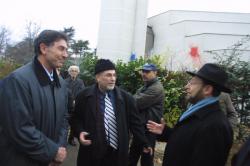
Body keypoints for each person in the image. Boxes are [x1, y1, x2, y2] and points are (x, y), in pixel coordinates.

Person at [0, 30, 69, 166]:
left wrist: (58, 150)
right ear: (43, 48)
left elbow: (64, 119)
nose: (65, 55)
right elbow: (20, 129)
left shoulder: (61, 83)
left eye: (67, 50)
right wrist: (53, 152)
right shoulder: (17, 80)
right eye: (61, 49)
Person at [147, 63, 233, 166]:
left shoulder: (215, 126)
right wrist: (165, 132)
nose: (186, 87)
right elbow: (188, 141)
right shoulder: (195, 110)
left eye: (192, 83)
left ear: (207, 89)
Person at [71, 59, 152, 166]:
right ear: (98, 77)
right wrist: (79, 131)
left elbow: (135, 123)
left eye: (114, 75)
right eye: (108, 75)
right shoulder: (84, 96)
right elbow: (76, 119)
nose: (113, 79)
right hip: (92, 152)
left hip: (117, 154)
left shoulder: (126, 98)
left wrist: (143, 142)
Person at [129, 63, 164, 166]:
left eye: (147, 72)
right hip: (141, 127)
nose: (144, 74)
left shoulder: (156, 88)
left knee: (146, 159)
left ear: (155, 73)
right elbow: (135, 99)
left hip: (149, 128)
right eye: (143, 71)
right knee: (132, 156)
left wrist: (136, 97)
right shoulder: (145, 86)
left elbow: (135, 102)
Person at [65, 65, 85, 146]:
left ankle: (71, 138)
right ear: (69, 72)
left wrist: (76, 100)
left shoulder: (80, 82)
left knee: (74, 122)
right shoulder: (64, 81)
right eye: (72, 70)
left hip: (76, 105)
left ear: (78, 73)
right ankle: (62, 139)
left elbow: (82, 92)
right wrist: (70, 100)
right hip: (66, 105)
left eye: (75, 71)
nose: (74, 72)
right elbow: (63, 92)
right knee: (65, 122)